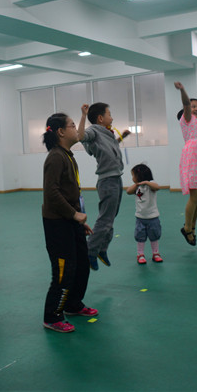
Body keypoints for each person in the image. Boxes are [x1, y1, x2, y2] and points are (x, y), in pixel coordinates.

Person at [42, 112, 97, 333]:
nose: (77, 129)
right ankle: (52, 315)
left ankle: (73, 304)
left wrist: (78, 220)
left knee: (81, 264)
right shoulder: (55, 157)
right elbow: (52, 193)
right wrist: (74, 215)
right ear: (61, 132)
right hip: (58, 223)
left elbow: (70, 193)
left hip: (71, 221)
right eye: (73, 125)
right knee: (64, 270)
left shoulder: (67, 155)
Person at [77, 102, 130, 270]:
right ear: (100, 118)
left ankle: (102, 249)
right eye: (109, 114)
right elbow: (80, 137)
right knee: (105, 219)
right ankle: (90, 250)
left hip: (116, 178)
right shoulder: (94, 131)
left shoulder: (106, 133)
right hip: (108, 181)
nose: (112, 118)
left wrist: (122, 138)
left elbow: (109, 148)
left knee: (110, 217)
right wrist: (83, 115)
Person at [173, 82, 197, 246]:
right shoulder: (187, 119)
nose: (196, 109)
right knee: (195, 195)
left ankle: (192, 226)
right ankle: (187, 228)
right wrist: (183, 90)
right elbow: (186, 103)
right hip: (194, 157)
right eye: (193, 106)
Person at [126, 163, 162, 264]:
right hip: (140, 218)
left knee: (154, 235)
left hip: (153, 217)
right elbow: (128, 191)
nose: (132, 178)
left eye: (133, 175)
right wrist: (137, 184)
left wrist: (146, 182)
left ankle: (156, 253)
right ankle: (140, 254)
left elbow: (157, 187)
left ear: (139, 176)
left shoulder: (150, 185)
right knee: (140, 237)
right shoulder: (136, 187)